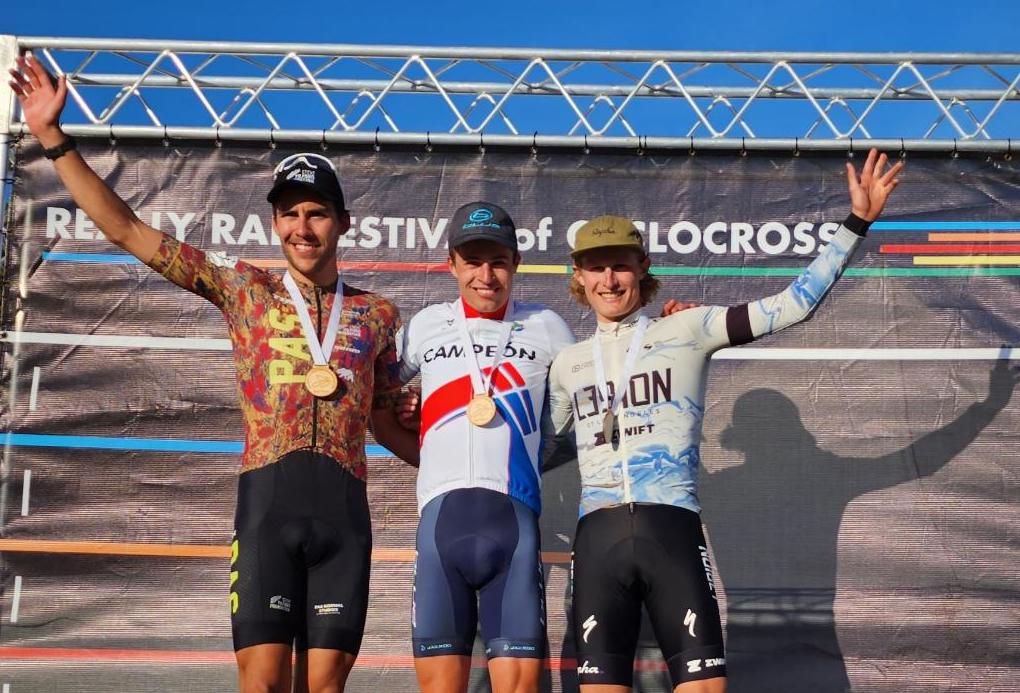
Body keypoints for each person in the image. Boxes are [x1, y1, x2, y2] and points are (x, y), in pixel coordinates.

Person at [9, 55, 418, 693]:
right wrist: (55, 142)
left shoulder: (378, 315)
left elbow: (392, 421)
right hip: (266, 508)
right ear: (274, 222)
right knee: (261, 687)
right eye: (289, 214)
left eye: (316, 213)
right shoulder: (243, 290)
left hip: (344, 515)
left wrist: (465, 468)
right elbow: (127, 231)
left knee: (327, 690)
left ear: (342, 222)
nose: (302, 228)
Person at [546, 149, 903, 693]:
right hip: (597, 540)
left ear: (643, 266)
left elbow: (792, 306)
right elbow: (537, 447)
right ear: (578, 275)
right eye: (596, 266)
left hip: (673, 529)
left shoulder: (691, 327)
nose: (610, 278)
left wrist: (857, 223)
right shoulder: (568, 363)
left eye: (620, 263)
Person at [397, 201, 576, 692]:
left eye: (497, 260)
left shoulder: (547, 326)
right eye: (472, 260)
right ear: (452, 264)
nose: (485, 275)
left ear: (515, 263)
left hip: (514, 526)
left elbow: (592, 401)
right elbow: (374, 396)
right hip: (440, 527)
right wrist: (401, 415)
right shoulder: (424, 326)